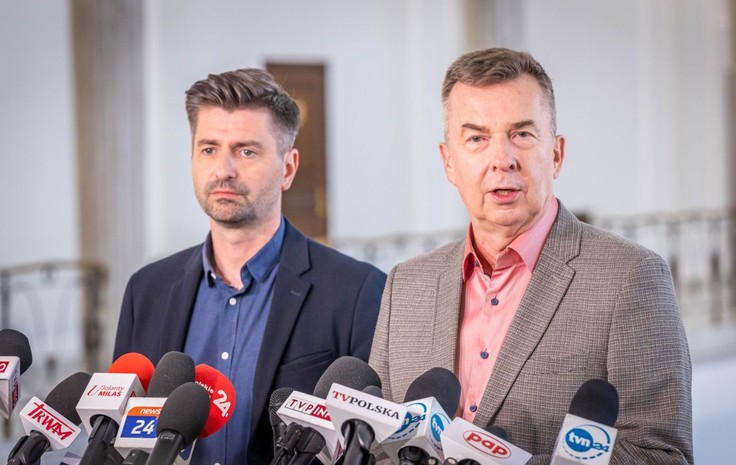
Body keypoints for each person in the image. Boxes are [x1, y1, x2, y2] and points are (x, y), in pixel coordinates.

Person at [369, 48, 693, 464]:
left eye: (522, 134)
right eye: (476, 139)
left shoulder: (631, 277)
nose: (502, 160)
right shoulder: (405, 285)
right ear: (448, 162)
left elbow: (662, 456)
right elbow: (377, 445)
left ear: (556, 154)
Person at [114, 68, 386, 465]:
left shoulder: (357, 292)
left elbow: (369, 447)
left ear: (288, 168)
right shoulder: (146, 291)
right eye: (209, 149)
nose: (223, 169)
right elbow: (122, 439)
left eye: (246, 151)